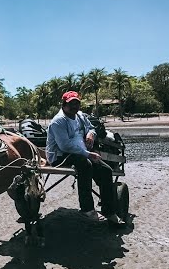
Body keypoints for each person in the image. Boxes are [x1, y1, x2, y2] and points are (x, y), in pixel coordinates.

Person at [46, 91, 126, 227]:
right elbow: (65, 146)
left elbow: (92, 128)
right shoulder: (58, 121)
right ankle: (87, 209)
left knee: (105, 170)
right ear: (64, 105)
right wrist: (88, 154)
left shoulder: (80, 116)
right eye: (71, 104)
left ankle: (109, 211)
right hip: (60, 155)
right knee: (85, 165)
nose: (75, 106)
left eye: (77, 103)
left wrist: (91, 134)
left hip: (81, 152)